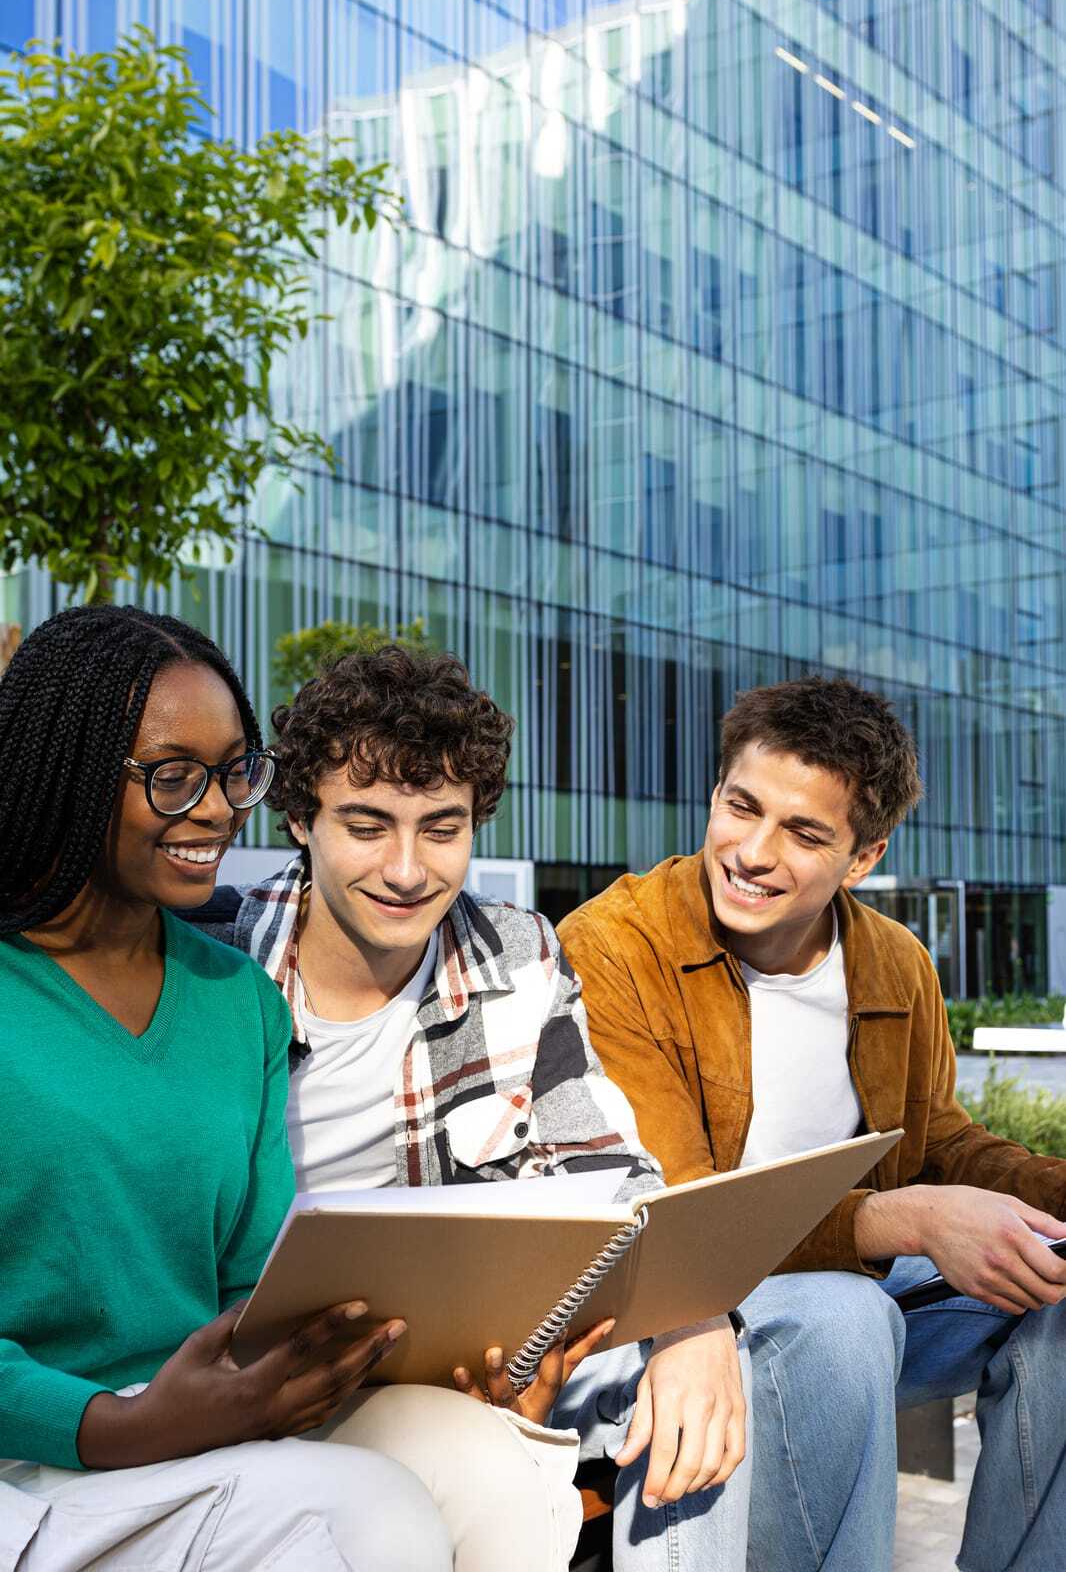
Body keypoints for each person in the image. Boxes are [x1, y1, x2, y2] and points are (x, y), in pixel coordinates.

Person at [188, 643, 752, 1572]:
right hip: (253, 1366)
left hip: (459, 1358)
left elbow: (608, 1171)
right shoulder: (210, 960)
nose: (408, 870)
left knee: (699, 1394)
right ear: (299, 819)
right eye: (367, 826)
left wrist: (695, 1327)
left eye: (441, 828)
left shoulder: (515, 951)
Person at [558, 673, 1066, 1572]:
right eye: (740, 807)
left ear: (863, 857)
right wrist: (897, 1219)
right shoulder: (615, 942)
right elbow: (674, 1209)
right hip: (673, 1308)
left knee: (1058, 1294)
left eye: (803, 833)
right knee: (842, 1315)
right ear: (715, 793)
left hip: (858, 1297)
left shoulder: (894, 962)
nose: (752, 852)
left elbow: (940, 1143)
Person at [0, 604, 457, 1571]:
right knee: (367, 1514)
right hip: (34, 1459)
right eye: (172, 777)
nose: (214, 809)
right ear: (67, 774)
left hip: (206, 1434)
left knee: (489, 1467)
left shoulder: (239, 1001)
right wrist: (123, 1426)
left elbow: (259, 1279)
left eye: (233, 771)